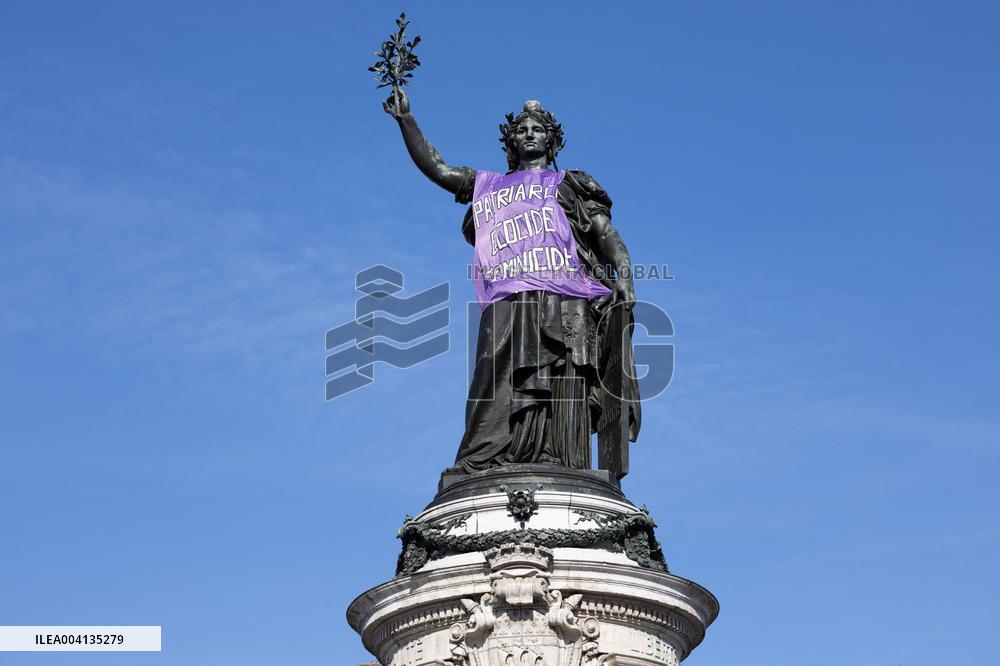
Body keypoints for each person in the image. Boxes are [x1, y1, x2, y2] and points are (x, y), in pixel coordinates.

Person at [383, 89, 640, 474]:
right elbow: (440, 170)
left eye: (539, 129)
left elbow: (605, 235)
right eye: (523, 130)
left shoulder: (571, 185)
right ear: (511, 140)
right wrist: (407, 122)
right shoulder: (489, 188)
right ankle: (490, 456)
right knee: (492, 378)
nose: (530, 134)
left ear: (552, 142)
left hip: (566, 298)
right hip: (506, 302)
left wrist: (625, 274)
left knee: (561, 382)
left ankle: (560, 461)